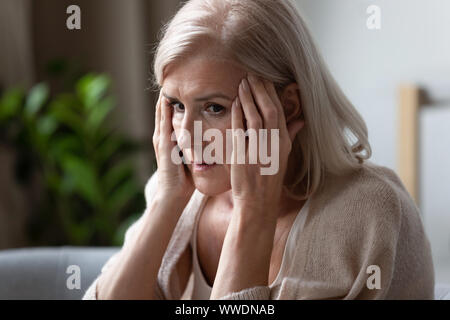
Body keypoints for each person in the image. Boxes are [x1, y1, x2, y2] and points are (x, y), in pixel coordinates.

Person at [83, 0, 434, 300]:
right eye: (176, 105)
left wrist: (253, 213)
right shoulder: (180, 195)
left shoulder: (365, 212)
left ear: (289, 106)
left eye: (214, 108)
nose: (186, 135)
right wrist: (166, 202)